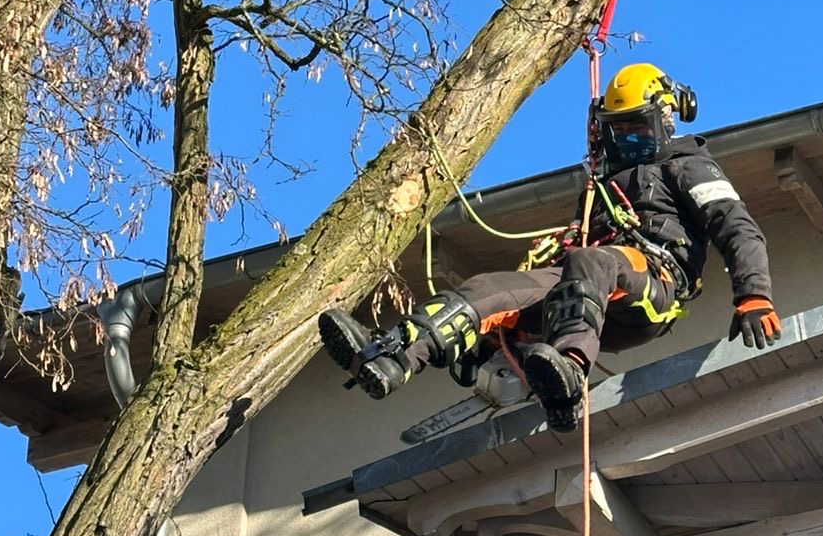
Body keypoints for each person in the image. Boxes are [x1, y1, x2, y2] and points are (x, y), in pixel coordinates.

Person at [318, 63, 783, 431]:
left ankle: (568, 371)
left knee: (592, 261)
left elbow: (736, 227)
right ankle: (392, 357)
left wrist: (753, 294)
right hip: (587, 285)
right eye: (620, 132)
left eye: (640, 129)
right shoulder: (601, 179)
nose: (632, 141)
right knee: (491, 289)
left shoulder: (688, 165)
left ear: (665, 118)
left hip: (652, 288)